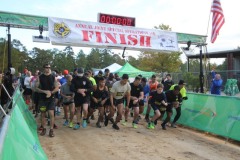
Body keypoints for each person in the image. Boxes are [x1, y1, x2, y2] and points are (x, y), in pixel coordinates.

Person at [36, 64, 59, 137]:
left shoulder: (53, 77)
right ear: (44, 68)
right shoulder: (40, 77)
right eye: (46, 67)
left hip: (51, 98)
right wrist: (44, 91)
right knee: (43, 114)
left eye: (49, 67)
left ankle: (51, 130)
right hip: (42, 99)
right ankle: (44, 129)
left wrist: (51, 92)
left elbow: (57, 87)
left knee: (51, 114)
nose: (48, 69)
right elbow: (36, 88)